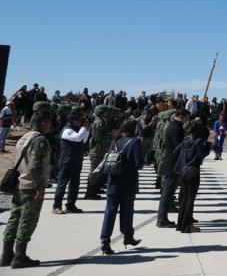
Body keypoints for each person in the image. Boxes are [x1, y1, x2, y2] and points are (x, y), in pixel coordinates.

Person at [2, 102, 53, 269]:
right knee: (27, 221)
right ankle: (20, 256)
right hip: (31, 186)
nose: (50, 126)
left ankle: (6, 254)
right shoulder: (40, 140)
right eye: (49, 122)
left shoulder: (24, 138)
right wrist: (40, 188)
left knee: (14, 218)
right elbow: (36, 166)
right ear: (42, 123)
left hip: (19, 184)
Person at [100, 119, 145, 255]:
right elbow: (139, 163)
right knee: (127, 210)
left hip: (113, 181)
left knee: (110, 211)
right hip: (128, 181)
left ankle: (105, 240)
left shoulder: (116, 140)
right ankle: (127, 235)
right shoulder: (135, 142)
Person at [175, 121, 210, 233]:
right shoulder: (198, 141)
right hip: (192, 171)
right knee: (190, 200)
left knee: (184, 199)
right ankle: (187, 226)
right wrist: (207, 148)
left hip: (183, 170)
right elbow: (200, 155)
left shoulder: (186, 139)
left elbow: (175, 151)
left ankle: (180, 225)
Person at [53, 107, 90, 214]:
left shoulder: (78, 129)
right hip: (67, 161)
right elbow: (78, 138)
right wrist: (84, 128)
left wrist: (86, 129)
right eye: (79, 120)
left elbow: (83, 140)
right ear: (74, 120)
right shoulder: (67, 130)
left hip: (76, 161)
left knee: (75, 185)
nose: (81, 122)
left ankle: (71, 205)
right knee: (62, 184)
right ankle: (56, 206)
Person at [156, 110, 186, 228]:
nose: (187, 120)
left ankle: (163, 218)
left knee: (168, 192)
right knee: (167, 192)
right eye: (186, 117)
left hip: (172, 163)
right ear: (180, 116)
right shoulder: (174, 128)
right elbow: (178, 146)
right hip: (171, 164)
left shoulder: (175, 126)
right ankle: (161, 220)